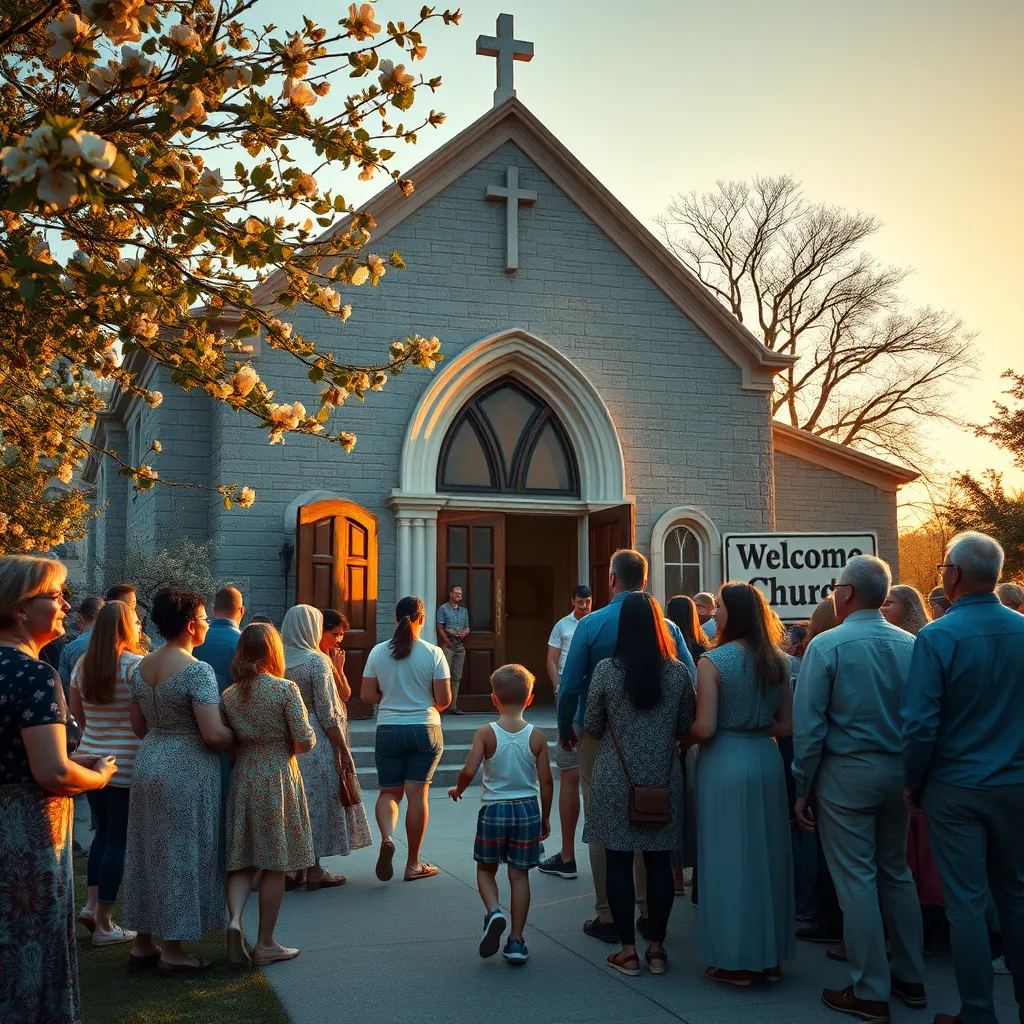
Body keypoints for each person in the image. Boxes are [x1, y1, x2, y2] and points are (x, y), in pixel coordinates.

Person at [792, 555, 926, 1020]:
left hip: (847, 772)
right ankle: (910, 976)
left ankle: (869, 989)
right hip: (899, 772)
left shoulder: (828, 645)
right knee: (896, 872)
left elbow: (809, 727)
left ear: (846, 593)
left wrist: (801, 784)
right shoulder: (912, 643)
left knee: (857, 881)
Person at [902, 531, 1024, 1024]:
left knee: (967, 903)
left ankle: (977, 1011)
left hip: (955, 786)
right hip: (1015, 783)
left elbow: (920, 723)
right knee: (1016, 894)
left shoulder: (937, 636)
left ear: (953, 574)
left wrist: (913, 780)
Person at [557, 549, 695, 943]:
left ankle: (606, 914)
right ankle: (648, 911)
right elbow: (689, 681)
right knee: (649, 822)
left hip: (602, 736)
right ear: (645, 581)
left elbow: (569, 685)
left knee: (603, 823)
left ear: (612, 580)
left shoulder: (591, 624)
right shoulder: (666, 626)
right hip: (657, 737)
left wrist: (567, 727)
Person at [0, 556, 116, 1024]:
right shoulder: (33, 674)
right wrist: (98, 776)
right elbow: (53, 774)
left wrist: (70, 760)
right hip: (26, 841)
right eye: (53, 595)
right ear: (18, 609)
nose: (65, 605)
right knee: (26, 952)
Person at [122, 588, 235, 972]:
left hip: (149, 758)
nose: (205, 623)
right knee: (181, 853)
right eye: (203, 618)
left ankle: (142, 942)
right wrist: (240, 735)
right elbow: (213, 734)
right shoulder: (197, 669)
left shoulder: (140, 667)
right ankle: (172, 949)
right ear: (190, 624)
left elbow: (138, 726)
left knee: (146, 851)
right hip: (186, 767)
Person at [583, 592, 696, 977]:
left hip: (617, 775)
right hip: (664, 777)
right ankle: (659, 950)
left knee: (617, 858)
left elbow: (594, 726)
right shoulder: (679, 672)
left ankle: (627, 951)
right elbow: (686, 725)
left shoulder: (607, 671)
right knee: (659, 862)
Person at [687, 581, 794, 986]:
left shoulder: (713, 662)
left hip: (725, 762)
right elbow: (786, 726)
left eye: (719, 608)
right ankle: (769, 959)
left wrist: (682, 740)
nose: (714, 614)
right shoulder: (778, 660)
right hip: (765, 760)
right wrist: (755, 726)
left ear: (732, 614)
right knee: (766, 858)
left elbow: (706, 726)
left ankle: (734, 961)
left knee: (728, 860)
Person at [222, 624, 316, 966]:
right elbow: (305, 740)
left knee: (242, 859)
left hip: (244, 775)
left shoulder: (230, 695)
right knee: (275, 863)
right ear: (273, 651)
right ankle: (265, 943)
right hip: (277, 776)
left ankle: (234, 920)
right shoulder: (285, 689)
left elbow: (230, 742)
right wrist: (288, 743)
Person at [449, 664, 554, 965]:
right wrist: (544, 816)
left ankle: (494, 910)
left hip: (494, 810)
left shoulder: (486, 733)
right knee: (519, 875)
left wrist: (457, 790)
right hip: (527, 810)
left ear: (494, 699)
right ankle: (517, 942)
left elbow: (469, 770)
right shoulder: (537, 736)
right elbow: (546, 781)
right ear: (530, 699)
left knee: (485, 869)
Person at [70, 600, 145, 945]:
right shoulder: (134, 666)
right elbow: (142, 720)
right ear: (127, 627)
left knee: (102, 834)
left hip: (89, 758)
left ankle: (90, 906)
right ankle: (104, 925)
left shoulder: (83, 665)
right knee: (119, 839)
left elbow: (77, 718)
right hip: (126, 761)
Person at [361, 596, 451, 883]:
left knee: (389, 793)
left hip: (388, 728)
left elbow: (366, 696)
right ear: (422, 619)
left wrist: (389, 698)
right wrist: (424, 703)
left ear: (395, 618)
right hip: (424, 728)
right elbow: (444, 700)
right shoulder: (434, 653)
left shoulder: (377, 652)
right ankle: (412, 864)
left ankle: (388, 838)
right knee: (417, 796)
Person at [282, 605, 369, 890]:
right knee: (316, 803)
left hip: (286, 738)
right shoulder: (316, 661)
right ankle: (315, 868)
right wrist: (342, 748)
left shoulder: (278, 659)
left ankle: (293, 869)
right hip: (316, 739)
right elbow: (327, 712)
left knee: (295, 804)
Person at [539, 584, 592, 880]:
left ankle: (584, 854)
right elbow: (552, 656)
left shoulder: (595, 622)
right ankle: (568, 855)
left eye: (588, 602)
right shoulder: (563, 625)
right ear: (572, 601)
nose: (584, 606)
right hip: (568, 697)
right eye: (580, 602)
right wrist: (557, 685)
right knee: (570, 773)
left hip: (589, 700)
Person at [665, 594, 711, 896]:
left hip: (673, 731)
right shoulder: (704, 648)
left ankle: (675, 875)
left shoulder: (667, 646)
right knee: (693, 803)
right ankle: (697, 872)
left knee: (672, 802)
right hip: (693, 730)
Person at [194, 586, 245, 801]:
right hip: (232, 734)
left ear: (213, 611)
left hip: (195, 729)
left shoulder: (195, 642)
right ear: (241, 611)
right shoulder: (243, 644)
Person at [58, 594, 104, 693]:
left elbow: (64, 684)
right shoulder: (125, 642)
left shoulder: (70, 648)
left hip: (80, 704)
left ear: (81, 617)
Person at [436, 584, 469, 715]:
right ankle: (441, 705)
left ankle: (453, 706)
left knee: (457, 677)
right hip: (447, 646)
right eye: (456, 593)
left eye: (460, 594)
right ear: (450, 594)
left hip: (460, 647)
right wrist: (448, 641)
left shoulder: (464, 611)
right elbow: (440, 627)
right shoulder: (443, 609)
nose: (458, 596)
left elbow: (467, 627)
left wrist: (464, 633)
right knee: (445, 676)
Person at [319, 609, 352, 703]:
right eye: (335, 634)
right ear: (321, 631)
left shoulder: (334, 655)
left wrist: (339, 670)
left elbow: (346, 695)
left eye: (341, 635)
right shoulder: (316, 658)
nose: (339, 640)